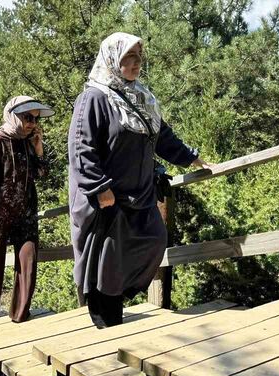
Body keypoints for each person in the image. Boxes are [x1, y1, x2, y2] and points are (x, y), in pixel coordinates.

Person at [68, 32, 213, 328]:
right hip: (107, 200)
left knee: (154, 239)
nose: (136, 64)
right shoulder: (93, 98)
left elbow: (162, 136)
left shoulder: (140, 97)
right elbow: (81, 148)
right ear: (112, 60)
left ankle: (114, 316)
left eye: (138, 58)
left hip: (140, 195)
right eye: (128, 58)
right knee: (106, 265)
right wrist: (99, 189)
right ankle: (106, 332)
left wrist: (192, 158)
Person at [0, 95, 54, 323]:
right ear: (14, 115)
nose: (32, 123)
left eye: (36, 119)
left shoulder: (28, 141)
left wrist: (38, 148)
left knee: (28, 260)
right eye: (27, 117)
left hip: (24, 213)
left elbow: (41, 174)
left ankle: (20, 314)